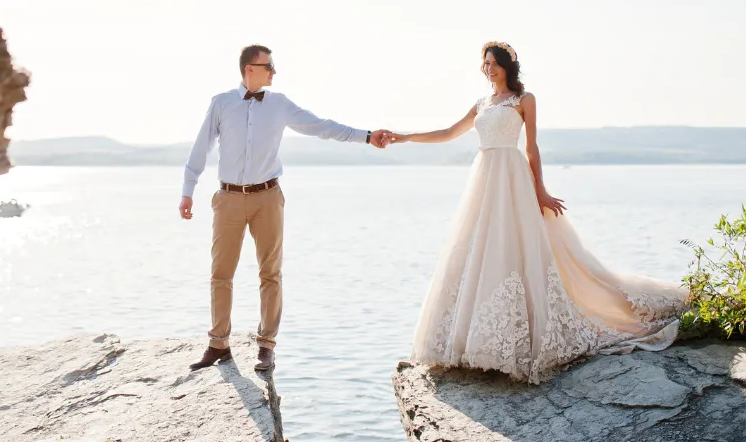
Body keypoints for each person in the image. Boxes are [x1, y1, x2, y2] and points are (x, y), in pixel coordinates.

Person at [392, 41, 687, 383]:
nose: (488, 68)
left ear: (507, 66)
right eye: (485, 63)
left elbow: (531, 148)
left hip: (512, 177)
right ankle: (471, 342)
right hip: (484, 180)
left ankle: (527, 337)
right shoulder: (481, 104)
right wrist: (404, 137)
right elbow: (447, 133)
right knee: (478, 252)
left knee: (519, 249)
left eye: (494, 63)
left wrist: (541, 190)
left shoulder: (524, 100)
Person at [179, 44, 391, 372]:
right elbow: (200, 147)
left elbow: (321, 126)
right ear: (250, 69)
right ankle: (218, 344)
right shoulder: (221, 103)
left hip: (268, 198)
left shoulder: (279, 104)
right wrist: (187, 190)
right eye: (269, 66)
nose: (274, 71)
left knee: (270, 273)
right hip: (229, 199)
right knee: (221, 274)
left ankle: (266, 347)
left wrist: (366, 136)